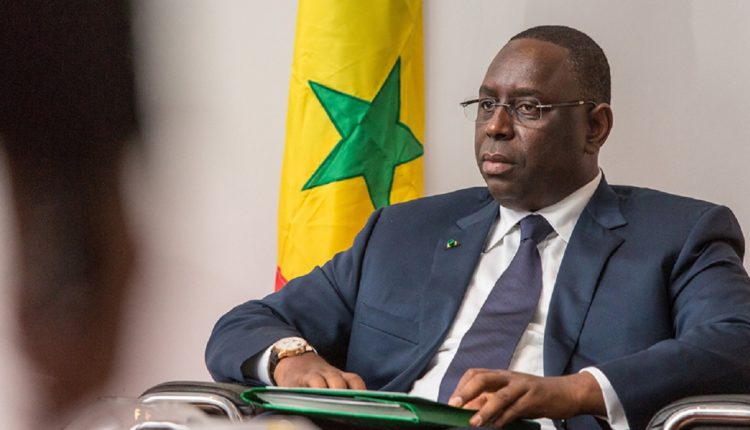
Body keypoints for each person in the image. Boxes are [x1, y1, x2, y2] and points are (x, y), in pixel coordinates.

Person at [205, 25, 750, 430]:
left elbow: (736, 340)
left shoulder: (679, 235)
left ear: (595, 127)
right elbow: (247, 323)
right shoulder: (402, 231)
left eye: (528, 108)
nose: (496, 126)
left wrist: (573, 392)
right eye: (487, 104)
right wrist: (291, 358)